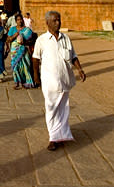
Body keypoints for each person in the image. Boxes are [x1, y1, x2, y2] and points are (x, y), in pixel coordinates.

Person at [32, 11, 86, 151]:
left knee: (63, 108)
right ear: (47, 23)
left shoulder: (66, 38)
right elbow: (35, 59)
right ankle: (53, 138)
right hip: (49, 81)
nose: (58, 23)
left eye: (59, 20)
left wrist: (80, 70)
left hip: (65, 80)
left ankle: (62, 134)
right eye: (55, 20)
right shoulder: (42, 40)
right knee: (51, 109)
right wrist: (36, 77)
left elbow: (73, 56)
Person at [8, 22, 37, 89]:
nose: (19, 21)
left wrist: (24, 42)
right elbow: (8, 40)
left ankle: (28, 82)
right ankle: (17, 82)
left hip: (24, 49)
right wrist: (15, 35)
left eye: (20, 19)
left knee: (25, 66)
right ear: (15, 21)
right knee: (15, 67)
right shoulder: (12, 29)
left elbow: (33, 39)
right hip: (14, 50)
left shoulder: (27, 30)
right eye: (18, 19)